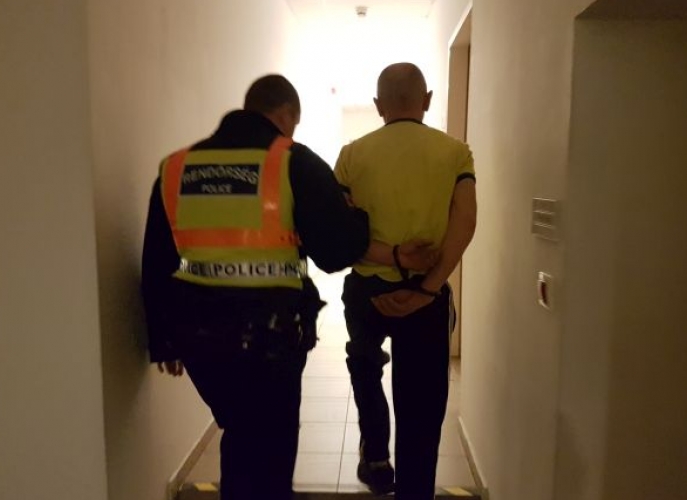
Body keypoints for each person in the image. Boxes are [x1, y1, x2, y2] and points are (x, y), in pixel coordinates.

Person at [141, 74, 372, 500]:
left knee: (241, 433)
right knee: (270, 449)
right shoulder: (293, 161)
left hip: (199, 337)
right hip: (269, 338)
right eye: (293, 123)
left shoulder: (176, 167)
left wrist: (163, 340)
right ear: (286, 114)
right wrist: (357, 218)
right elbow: (336, 252)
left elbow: (156, 260)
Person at [334, 62, 477, 500]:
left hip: (367, 291)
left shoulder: (351, 155)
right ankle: (414, 491)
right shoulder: (456, 153)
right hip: (426, 295)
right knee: (421, 408)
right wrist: (427, 288)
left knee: (364, 366)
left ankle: (376, 457)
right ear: (427, 100)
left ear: (378, 105)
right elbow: (465, 222)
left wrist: (389, 256)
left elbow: (341, 234)